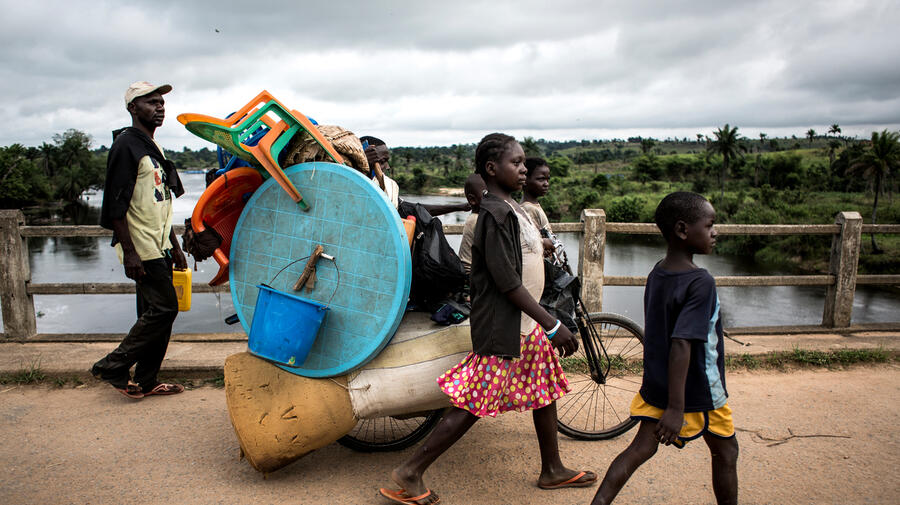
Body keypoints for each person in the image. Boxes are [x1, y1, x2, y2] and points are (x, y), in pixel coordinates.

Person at [379, 133, 597, 505]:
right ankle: (409, 473)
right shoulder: (494, 214)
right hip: (504, 325)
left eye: (524, 161)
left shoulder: (515, 210)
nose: (524, 168)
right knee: (472, 403)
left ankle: (553, 469)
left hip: (523, 327)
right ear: (492, 169)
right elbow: (507, 281)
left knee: (543, 393)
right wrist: (553, 323)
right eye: (516, 163)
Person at [590, 191, 738, 505]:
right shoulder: (701, 282)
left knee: (640, 449)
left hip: (657, 383)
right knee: (726, 451)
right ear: (683, 230)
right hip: (697, 391)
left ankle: (599, 502)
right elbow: (682, 343)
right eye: (710, 225)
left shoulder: (658, 271)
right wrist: (676, 408)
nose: (716, 232)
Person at [92, 81, 188, 400]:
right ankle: (113, 365)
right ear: (133, 108)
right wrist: (130, 253)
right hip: (141, 246)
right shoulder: (126, 146)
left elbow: (160, 203)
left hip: (157, 244)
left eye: (161, 102)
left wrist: (174, 247)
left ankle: (147, 380)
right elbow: (115, 205)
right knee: (164, 309)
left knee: (153, 313)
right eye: (151, 102)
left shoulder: (151, 146)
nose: (160, 107)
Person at [360, 135, 470, 217]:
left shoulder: (388, 192)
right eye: (382, 161)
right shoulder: (350, 187)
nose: (387, 166)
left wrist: (459, 207)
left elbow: (415, 209)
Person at [520, 157, 556, 256]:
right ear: (525, 180)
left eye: (547, 179)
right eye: (541, 179)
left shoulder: (534, 206)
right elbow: (532, 243)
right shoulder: (528, 209)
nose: (546, 184)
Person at [457, 173, 486, 275]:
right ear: (472, 200)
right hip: (472, 276)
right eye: (487, 194)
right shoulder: (477, 220)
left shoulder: (476, 218)